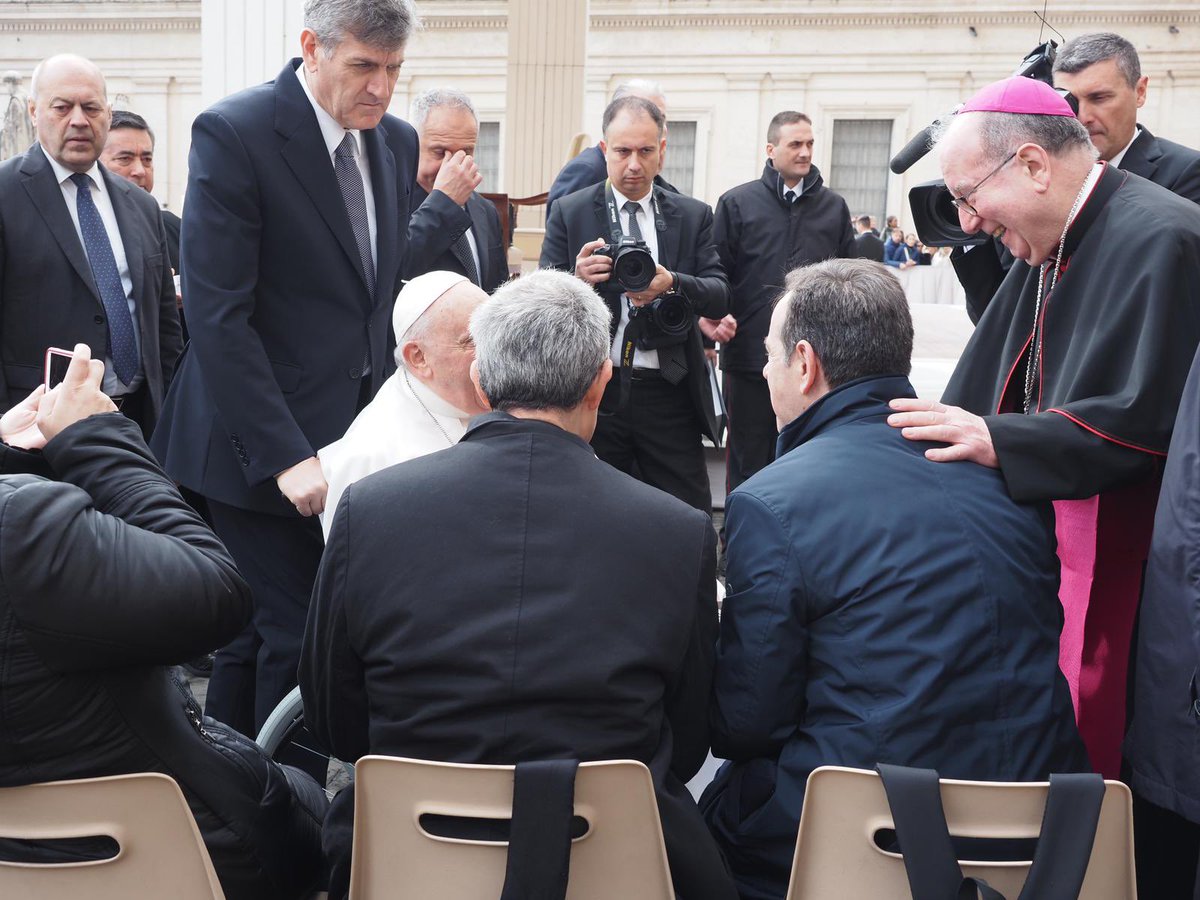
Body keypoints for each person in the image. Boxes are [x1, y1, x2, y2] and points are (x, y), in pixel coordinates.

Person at [299, 269, 736, 900]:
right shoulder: (676, 531)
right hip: (609, 860)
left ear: (480, 380)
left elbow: (334, 716)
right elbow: (689, 734)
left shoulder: (371, 510)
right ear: (602, 382)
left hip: (411, 856)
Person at [700, 259, 1088, 900]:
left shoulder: (774, 501)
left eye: (768, 355)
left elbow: (746, 722)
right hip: (1042, 825)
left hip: (874, 834)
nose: (764, 372)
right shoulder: (1003, 472)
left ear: (804, 362)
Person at [887, 76, 1200, 779]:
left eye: (969, 198)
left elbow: (1145, 421)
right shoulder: (1054, 237)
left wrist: (1002, 439)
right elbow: (997, 378)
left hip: (1145, 562)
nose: (966, 223)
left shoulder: (1165, 236)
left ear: (1032, 166)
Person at [150, 0, 421, 738]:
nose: (381, 88)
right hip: (251, 442)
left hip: (345, 441)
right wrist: (283, 455)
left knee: (253, 638)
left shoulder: (394, 141)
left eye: (394, 69)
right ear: (311, 46)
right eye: (364, 66)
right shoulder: (234, 133)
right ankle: (289, 824)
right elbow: (216, 316)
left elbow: (370, 299)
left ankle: (232, 805)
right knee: (300, 636)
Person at [0, 344, 326, 900]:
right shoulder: (24, 526)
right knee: (327, 809)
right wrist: (99, 441)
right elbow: (214, 593)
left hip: (24, 859)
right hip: (175, 852)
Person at [540, 95, 729, 514]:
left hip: (670, 386)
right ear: (605, 151)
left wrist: (672, 282)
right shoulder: (571, 212)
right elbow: (539, 302)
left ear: (662, 151)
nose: (634, 165)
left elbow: (720, 293)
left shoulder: (692, 214)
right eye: (623, 151)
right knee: (589, 510)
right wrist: (576, 281)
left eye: (645, 151)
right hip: (594, 391)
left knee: (688, 511)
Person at [955, 33, 1200, 321]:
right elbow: (994, 317)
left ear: (1140, 91)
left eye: (1099, 98)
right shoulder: (1026, 182)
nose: (1081, 116)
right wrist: (969, 206)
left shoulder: (1187, 174)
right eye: (1066, 99)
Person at [0, 55, 182, 436]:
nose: (79, 120)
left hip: (141, 423)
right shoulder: (5, 195)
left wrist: (170, 421)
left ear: (108, 114)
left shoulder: (142, 205)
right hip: (38, 428)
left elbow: (164, 328)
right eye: (62, 107)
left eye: (91, 107)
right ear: (34, 112)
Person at [711, 110, 855, 493]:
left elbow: (850, 279)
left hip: (818, 363)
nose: (805, 152)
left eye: (809, 143)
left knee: (809, 459)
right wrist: (713, 320)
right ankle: (740, 546)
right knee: (748, 456)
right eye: (796, 144)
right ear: (771, 149)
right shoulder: (735, 204)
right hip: (749, 359)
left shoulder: (834, 209)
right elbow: (716, 275)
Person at [319, 271, 487, 538]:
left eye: (494, 333)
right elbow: (357, 567)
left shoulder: (510, 400)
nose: (494, 351)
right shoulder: (369, 456)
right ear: (418, 357)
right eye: (472, 341)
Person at [404, 89, 507, 293]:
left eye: (466, 152)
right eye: (440, 152)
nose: (452, 165)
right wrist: (444, 203)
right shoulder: (392, 204)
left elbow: (497, 291)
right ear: (412, 145)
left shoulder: (484, 210)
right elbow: (398, 270)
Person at [545, 78, 678, 219]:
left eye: (661, 119)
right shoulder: (587, 170)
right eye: (644, 114)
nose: (659, 127)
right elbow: (562, 227)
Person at [100, 109, 181, 274]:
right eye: (124, 159)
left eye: (147, 160)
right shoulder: (78, 231)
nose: (140, 171)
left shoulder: (174, 229)